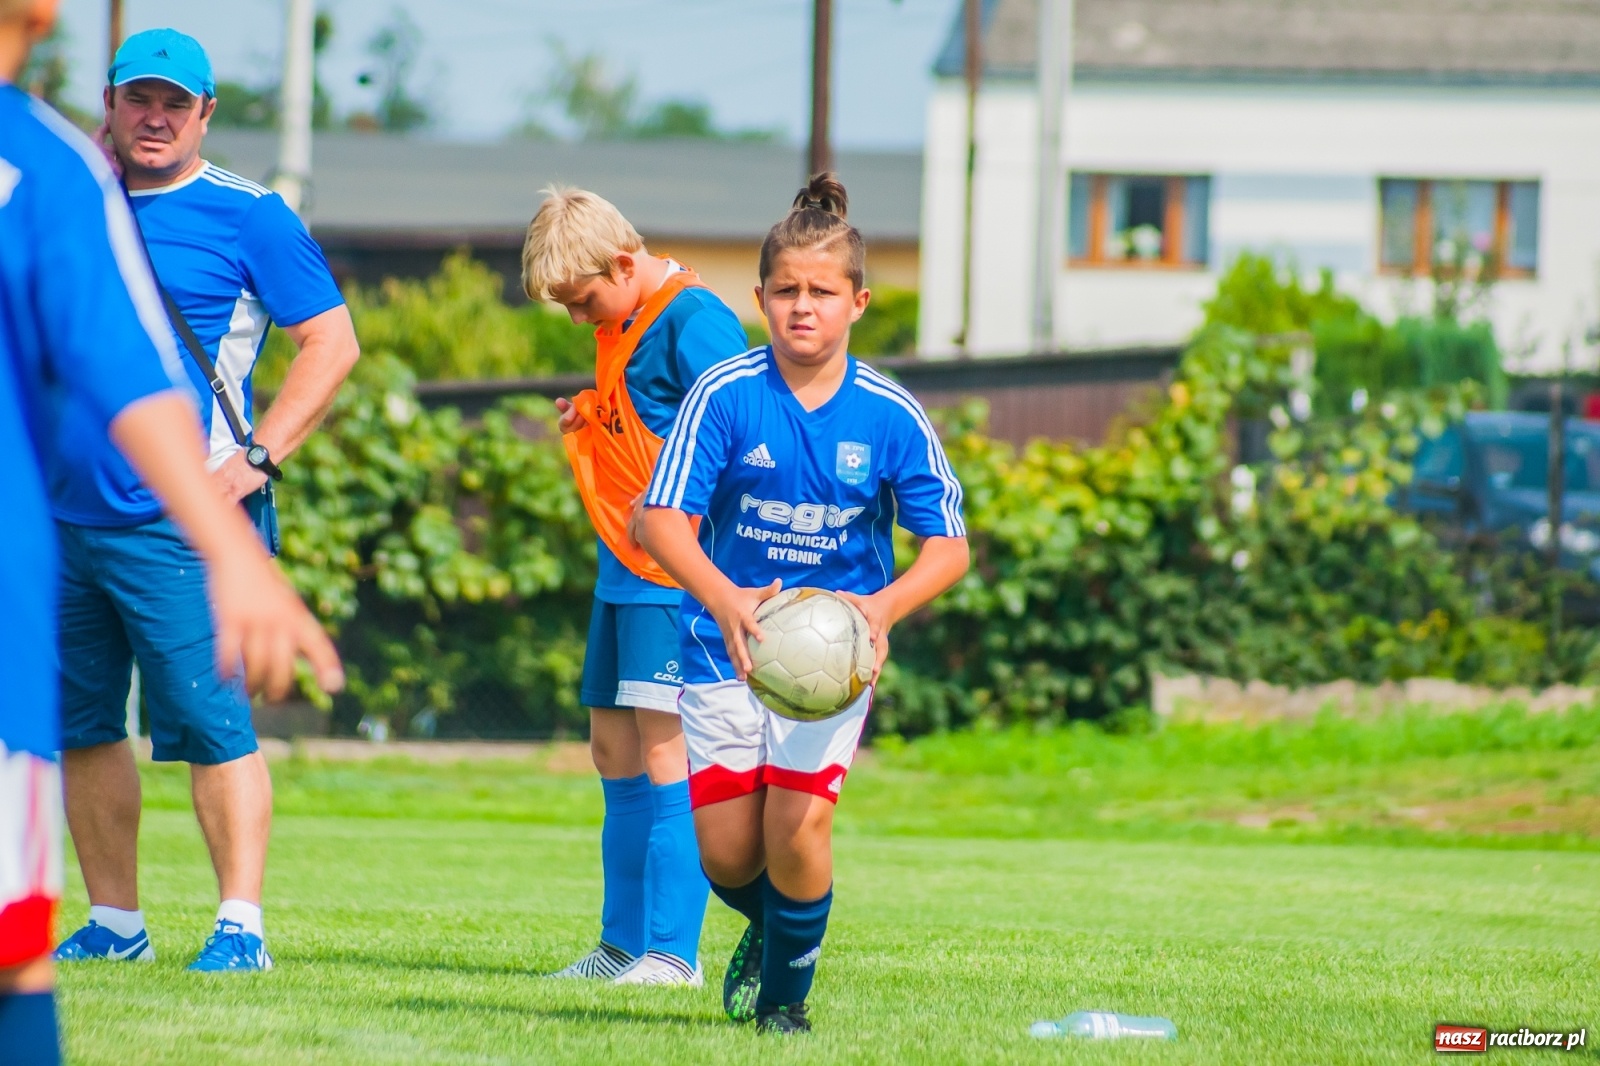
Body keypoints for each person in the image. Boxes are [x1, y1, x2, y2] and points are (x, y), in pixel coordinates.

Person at [0, 1, 343, 1059]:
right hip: (55, 519)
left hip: (178, 523)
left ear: (203, 114)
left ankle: (239, 921)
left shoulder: (248, 212)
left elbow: (330, 343)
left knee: (211, 725)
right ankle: (116, 920)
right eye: (137, 99)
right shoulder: (65, 181)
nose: (153, 118)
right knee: (83, 724)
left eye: (173, 104)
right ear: (108, 102)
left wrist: (253, 462)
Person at [638, 175, 970, 1034]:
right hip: (723, 651)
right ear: (760, 299)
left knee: (796, 831)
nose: (803, 308)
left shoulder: (890, 413)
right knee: (727, 855)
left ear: (858, 302)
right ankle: (777, 932)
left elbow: (949, 547)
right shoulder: (725, 396)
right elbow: (658, 520)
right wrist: (726, 599)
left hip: (834, 659)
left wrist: (881, 612)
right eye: (785, 291)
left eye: (822, 292)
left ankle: (785, 1007)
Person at [521, 187, 749, 985]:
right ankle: (619, 947)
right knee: (611, 748)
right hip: (622, 567)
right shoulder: (620, 319)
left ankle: (671, 953)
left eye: (584, 301)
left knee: (664, 751)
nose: (581, 320)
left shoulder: (697, 321)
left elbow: (739, 435)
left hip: (671, 573)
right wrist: (592, 419)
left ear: (623, 262)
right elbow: (649, 425)